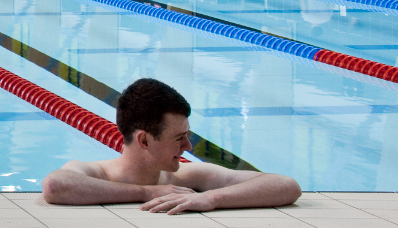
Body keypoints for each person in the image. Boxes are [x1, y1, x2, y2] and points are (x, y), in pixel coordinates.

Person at [44, 79, 299, 213]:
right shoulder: (94, 173)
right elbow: (56, 186)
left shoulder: (187, 176)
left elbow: (286, 186)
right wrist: (146, 193)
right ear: (144, 140)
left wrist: (212, 198)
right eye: (179, 138)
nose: (188, 146)